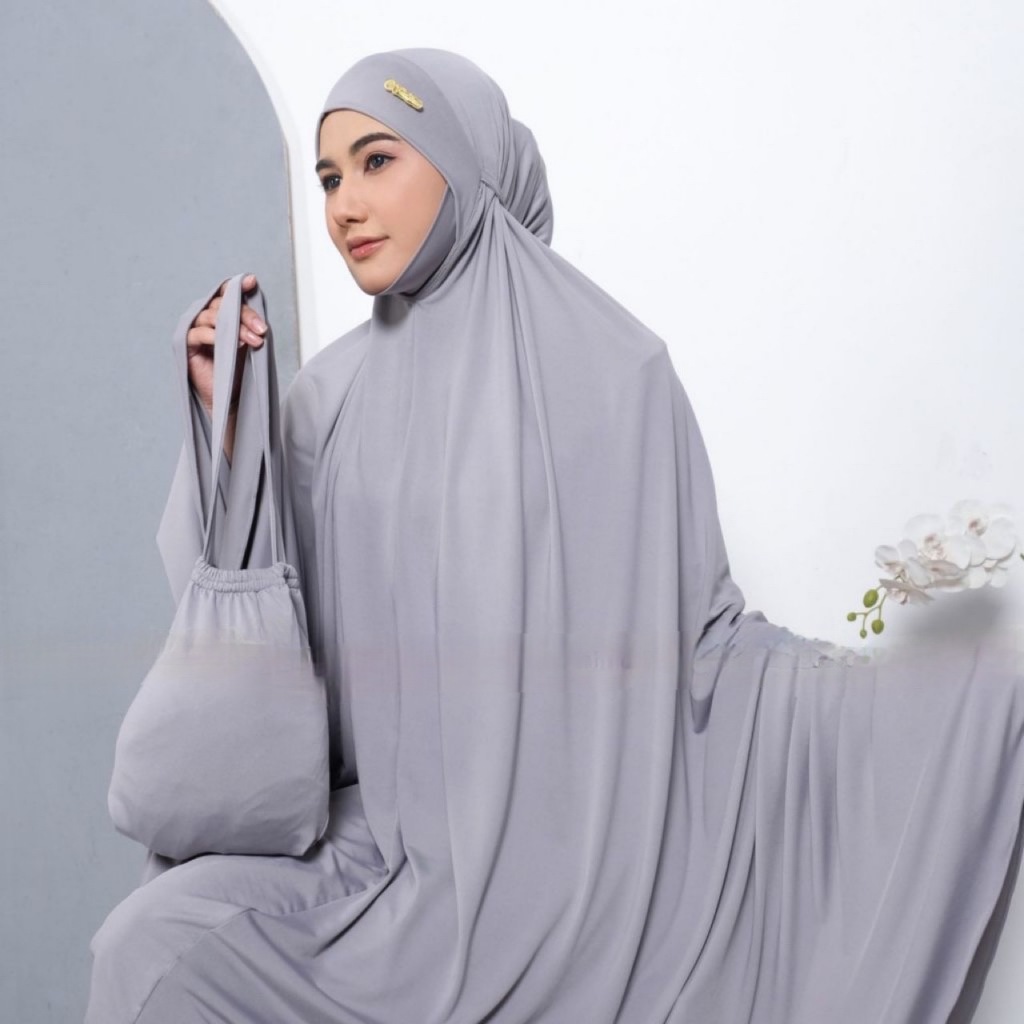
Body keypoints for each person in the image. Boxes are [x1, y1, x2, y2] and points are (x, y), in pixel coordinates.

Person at [86, 48, 1024, 1023]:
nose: (345, 207)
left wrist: (938, 688)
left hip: (584, 864)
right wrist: (231, 435)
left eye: (378, 161)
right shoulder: (327, 397)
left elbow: (701, 644)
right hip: (391, 852)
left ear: (464, 162)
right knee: (152, 943)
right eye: (328, 178)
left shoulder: (617, 373)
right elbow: (268, 650)